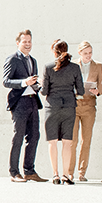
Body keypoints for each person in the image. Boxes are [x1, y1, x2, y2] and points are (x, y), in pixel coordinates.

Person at [2, 30, 48, 182]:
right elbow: (6, 81)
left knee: (34, 136)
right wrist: (24, 82)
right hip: (19, 103)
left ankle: (29, 170)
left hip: (32, 101)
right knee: (18, 137)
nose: (28, 44)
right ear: (18, 43)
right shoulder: (13, 59)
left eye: (29, 41)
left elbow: (32, 81)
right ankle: (14, 173)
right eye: (24, 42)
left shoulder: (33, 60)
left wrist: (37, 84)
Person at [40, 39, 85, 184]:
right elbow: (81, 91)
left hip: (52, 107)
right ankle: (66, 175)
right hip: (69, 107)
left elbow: (44, 91)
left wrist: (41, 84)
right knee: (67, 142)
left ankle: (55, 175)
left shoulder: (48, 67)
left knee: (52, 142)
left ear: (54, 51)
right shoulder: (75, 68)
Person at [68, 40, 102, 182]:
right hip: (74, 105)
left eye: (90, 53)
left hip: (89, 106)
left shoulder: (98, 66)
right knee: (72, 141)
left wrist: (97, 91)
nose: (89, 56)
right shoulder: (73, 65)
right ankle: (69, 172)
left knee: (86, 140)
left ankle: (82, 172)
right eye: (86, 53)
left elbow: (101, 86)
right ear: (79, 53)